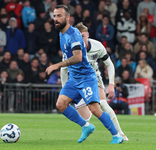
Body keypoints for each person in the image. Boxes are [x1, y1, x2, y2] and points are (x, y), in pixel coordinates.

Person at [46, 5, 124, 144]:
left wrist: (56, 65)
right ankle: (86, 126)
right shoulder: (61, 33)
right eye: (55, 16)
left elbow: (77, 57)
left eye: (59, 16)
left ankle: (116, 135)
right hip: (74, 78)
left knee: (96, 109)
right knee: (61, 104)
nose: (56, 19)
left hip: (86, 78)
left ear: (68, 17)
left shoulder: (74, 34)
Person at [61, 22, 128, 141]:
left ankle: (120, 134)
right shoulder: (69, 48)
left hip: (93, 78)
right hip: (76, 79)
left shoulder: (97, 46)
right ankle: (87, 126)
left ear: (87, 35)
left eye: (82, 36)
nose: (80, 39)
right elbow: (64, 69)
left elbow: (109, 64)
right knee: (80, 114)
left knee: (103, 104)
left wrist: (111, 84)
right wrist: (64, 88)